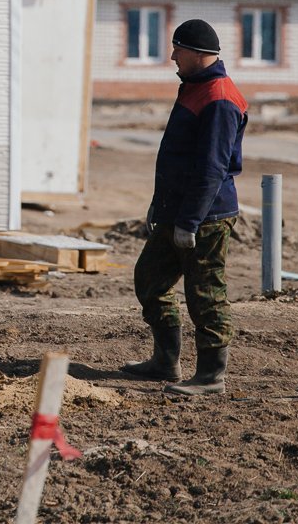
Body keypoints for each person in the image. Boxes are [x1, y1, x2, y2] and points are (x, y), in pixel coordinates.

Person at [121, 19, 248, 396]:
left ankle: (210, 377)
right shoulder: (195, 87)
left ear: (197, 54)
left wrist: (189, 222)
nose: (172, 55)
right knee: (150, 279)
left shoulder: (220, 97)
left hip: (206, 217)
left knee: (205, 293)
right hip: (177, 211)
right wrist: (159, 206)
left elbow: (212, 167)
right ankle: (166, 362)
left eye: (177, 49)